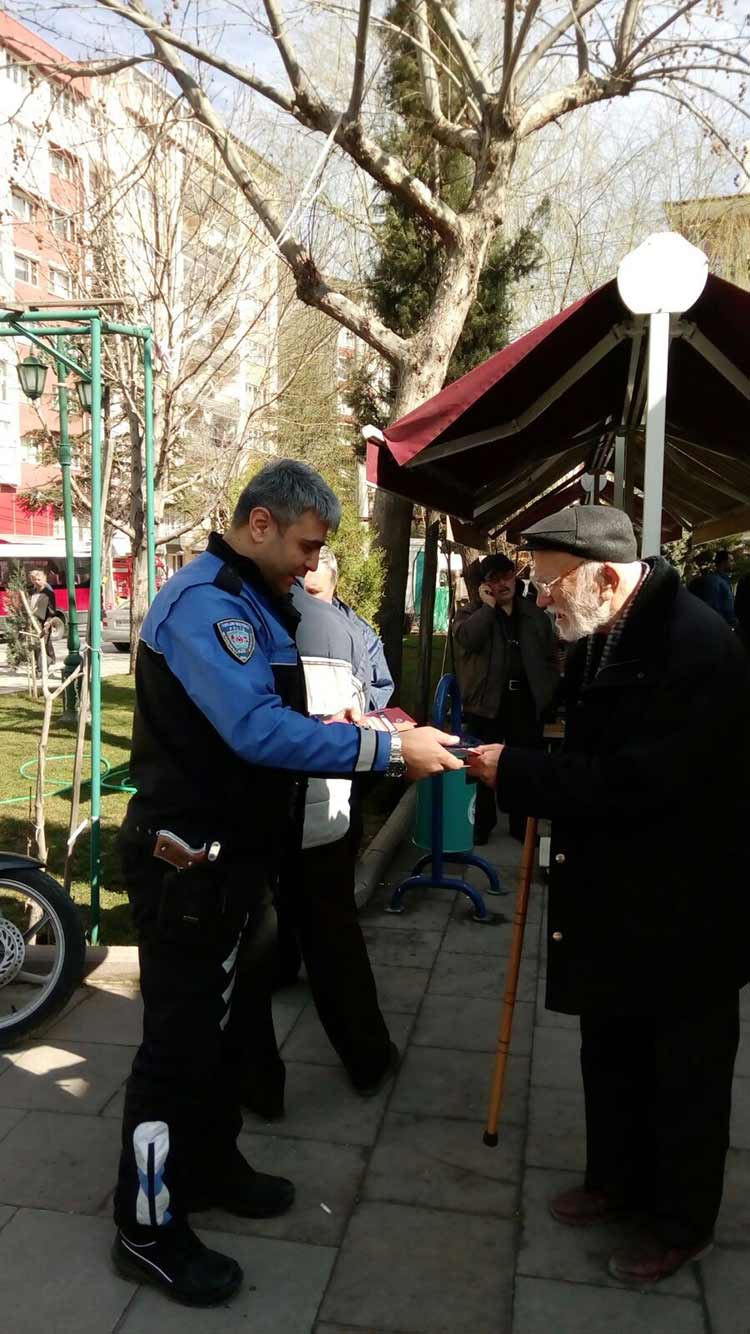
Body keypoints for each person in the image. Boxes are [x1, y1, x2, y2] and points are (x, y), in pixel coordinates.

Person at [111, 458, 462, 1308]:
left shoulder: (258, 604)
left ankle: (211, 1164)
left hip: (235, 864)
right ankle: (146, 1225)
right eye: (308, 545)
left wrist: (370, 723)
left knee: (227, 1033)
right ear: (261, 522)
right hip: (185, 864)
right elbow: (256, 730)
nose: (314, 563)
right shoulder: (205, 606)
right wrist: (384, 751)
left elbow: (292, 716)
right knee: (174, 1051)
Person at [468, 505, 750, 1285]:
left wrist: (517, 773)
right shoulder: (606, 630)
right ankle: (617, 1181)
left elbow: (637, 781)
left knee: (682, 1074)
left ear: (602, 575)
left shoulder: (692, 646)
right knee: (614, 1052)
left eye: (549, 582)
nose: (540, 599)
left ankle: (679, 1222)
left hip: (687, 905)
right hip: (625, 894)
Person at [266, 573, 395, 1107]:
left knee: (306, 928)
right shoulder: (325, 622)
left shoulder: (311, 622)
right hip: (312, 809)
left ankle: (264, 1086)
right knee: (328, 932)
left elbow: (331, 726)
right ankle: (367, 1056)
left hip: (286, 807)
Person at [452, 552, 559, 842]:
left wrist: (548, 692)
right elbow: (467, 639)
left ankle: (521, 825)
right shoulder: (470, 613)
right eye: (494, 579)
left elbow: (550, 657)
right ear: (484, 585)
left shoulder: (533, 614)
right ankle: (481, 824)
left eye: (507, 575)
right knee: (481, 764)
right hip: (486, 703)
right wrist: (487, 608)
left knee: (524, 764)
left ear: (515, 576)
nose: (502, 584)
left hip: (525, 701)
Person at [304, 546, 394, 710]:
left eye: (313, 592)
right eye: (298, 590)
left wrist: (351, 709)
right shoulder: (276, 622)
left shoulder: (362, 634)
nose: (304, 601)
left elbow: (381, 689)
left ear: (334, 588)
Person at [689, 548, 737, 628]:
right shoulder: (714, 581)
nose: (733, 563)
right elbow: (713, 606)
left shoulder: (725, 581)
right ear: (723, 562)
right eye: (731, 561)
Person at [28, 567, 57, 669]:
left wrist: (48, 621)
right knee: (40, 644)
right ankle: (48, 660)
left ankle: (41, 668)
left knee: (43, 643)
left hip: (45, 621)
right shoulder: (32, 592)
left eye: (39, 579)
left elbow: (52, 609)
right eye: (34, 579)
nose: (36, 582)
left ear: (44, 579)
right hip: (35, 621)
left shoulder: (48, 593)